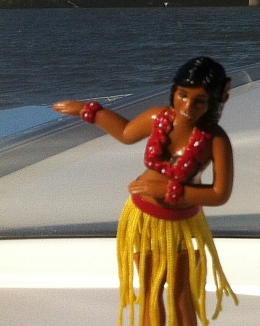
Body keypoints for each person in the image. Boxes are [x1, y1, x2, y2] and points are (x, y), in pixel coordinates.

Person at [54, 57, 238, 326]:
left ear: (215, 101)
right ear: (174, 91)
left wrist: (169, 190)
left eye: (199, 100)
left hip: (180, 226)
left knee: (181, 293)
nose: (188, 106)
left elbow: (220, 194)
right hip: (144, 219)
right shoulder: (158, 118)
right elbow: (126, 133)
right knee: (151, 291)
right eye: (183, 95)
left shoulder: (216, 140)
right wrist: (89, 111)